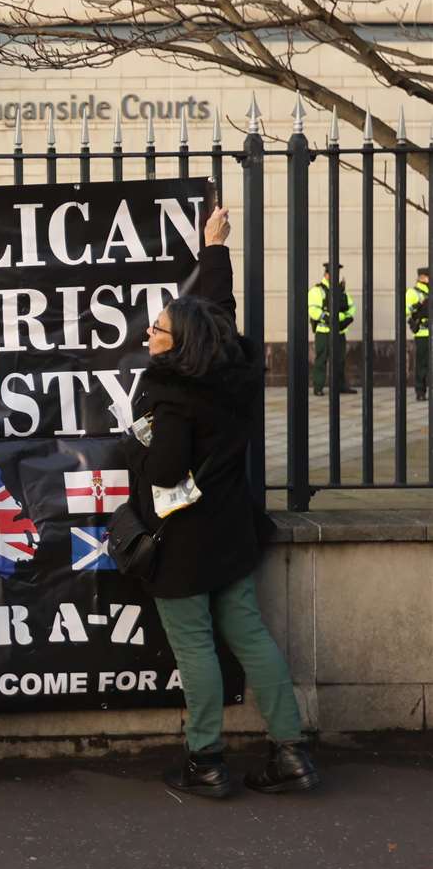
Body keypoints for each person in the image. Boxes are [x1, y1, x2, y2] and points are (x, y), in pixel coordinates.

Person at [131, 204, 320, 799]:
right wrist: (214, 250)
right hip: (232, 528)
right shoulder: (229, 365)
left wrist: (143, 436)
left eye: (157, 331)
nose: (149, 335)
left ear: (177, 344)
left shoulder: (172, 394)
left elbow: (164, 471)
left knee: (194, 645)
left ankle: (206, 760)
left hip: (183, 538)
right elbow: (217, 312)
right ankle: (292, 752)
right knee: (249, 634)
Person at [307, 262, 356, 395]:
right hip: (324, 331)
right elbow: (313, 310)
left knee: (340, 360)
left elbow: (351, 307)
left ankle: (340, 386)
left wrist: (347, 318)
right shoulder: (318, 290)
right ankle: (318, 387)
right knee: (321, 359)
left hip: (339, 331)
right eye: (333, 274)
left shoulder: (341, 291)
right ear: (326, 274)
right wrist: (327, 318)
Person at [408, 265, 430, 401]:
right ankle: (420, 391)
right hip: (422, 334)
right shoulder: (413, 293)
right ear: (422, 277)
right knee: (422, 363)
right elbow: (407, 312)